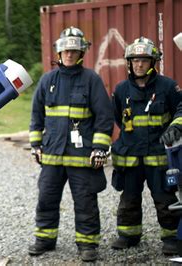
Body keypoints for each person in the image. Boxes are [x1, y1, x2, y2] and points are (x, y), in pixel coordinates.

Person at [28, 26, 113, 262]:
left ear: (81, 53)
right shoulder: (47, 80)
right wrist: (36, 145)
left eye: (74, 51)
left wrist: (99, 148)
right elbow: (36, 115)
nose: (69, 54)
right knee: (46, 198)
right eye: (65, 50)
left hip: (81, 157)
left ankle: (87, 244)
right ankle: (45, 239)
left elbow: (104, 117)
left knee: (85, 202)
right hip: (52, 156)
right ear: (59, 52)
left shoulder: (91, 80)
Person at [111, 36, 182, 255]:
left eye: (144, 60)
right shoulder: (121, 89)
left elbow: (181, 109)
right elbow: (117, 118)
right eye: (135, 60)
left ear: (153, 62)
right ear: (129, 63)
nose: (139, 64)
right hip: (130, 157)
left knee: (164, 197)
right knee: (129, 198)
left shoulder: (168, 86)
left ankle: (172, 239)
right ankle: (128, 235)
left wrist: (176, 127)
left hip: (158, 157)